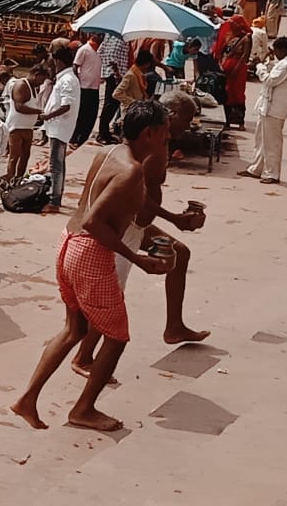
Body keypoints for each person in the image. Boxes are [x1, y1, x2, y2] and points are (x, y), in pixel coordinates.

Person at [10, 101, 173, 432]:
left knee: (75, 329)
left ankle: (27, 399)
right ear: (149, 134)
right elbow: (95, 220)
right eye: (166, 136)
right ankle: (83, 409)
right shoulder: (132, 171)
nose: (168, 142)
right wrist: (138, 260)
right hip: (89, 253)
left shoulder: (110, 153)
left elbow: (110, 207)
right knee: (116, 337)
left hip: (67, 244)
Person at [71, 91, 211, 379]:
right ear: (169, 117)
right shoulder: (147, 151)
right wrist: (174, 219)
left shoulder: (158, 144)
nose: (190, 124)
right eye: (186, 118)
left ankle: (174, 326)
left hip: (137, 222)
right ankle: (84, 357)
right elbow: (135, 196)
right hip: (129, 223)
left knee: (180, 253)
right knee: (112, 295)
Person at [238, 37, 287, 184]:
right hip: (267, 107)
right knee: (261, 140)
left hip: (275, 109)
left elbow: (270, 80)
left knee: (272, 143)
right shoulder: (282, 63)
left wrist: (260, 67)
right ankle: (256, 168)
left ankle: (273, 173)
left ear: (282, 50)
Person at [42, 47, 80, 213]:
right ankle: (55, 197)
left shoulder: (67, 80)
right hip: (57, 126)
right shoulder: (66, 78)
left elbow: (66, 105)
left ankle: (55, 200)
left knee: (55, 165)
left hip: (59, 126)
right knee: (58, 164)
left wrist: (48, 115)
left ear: (58, 61)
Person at [3, 66, 48, 183]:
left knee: (25, 155)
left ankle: (19, 179)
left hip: (28, 127)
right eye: (41, 80)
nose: (41, 83)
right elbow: (19, 107)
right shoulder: (21, 85)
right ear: (36, 74)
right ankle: (10, 180)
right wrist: (39, 111)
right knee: (14, 156)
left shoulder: (33, 87)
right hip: (16, 127)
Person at [219, 19, 254, 128]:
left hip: (238, 70)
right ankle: (228, 120)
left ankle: (240, 121)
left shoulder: (246, 38)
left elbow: (244, 56)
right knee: (227, 93)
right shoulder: (231, 37)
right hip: (227, 68)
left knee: (238, 94)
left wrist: (236, 69)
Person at [70, 34, 102, 148]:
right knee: (82, 114)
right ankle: (74, 138)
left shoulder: (99, 51)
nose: (101, 37)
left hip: (95, 87)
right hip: (84, 87)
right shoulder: (84, 49)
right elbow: (75, 66)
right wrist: (77, 81)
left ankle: (83, 138)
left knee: (91, 114)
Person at [96, 33, 129, 144]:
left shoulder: (109, 36)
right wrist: (116, 72)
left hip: (113, 73)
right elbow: (112, 56)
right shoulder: (118, 38)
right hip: (115, 75)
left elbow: (100, 51)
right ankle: (102, 134)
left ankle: (105, 132)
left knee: (112, 104)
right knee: (110, 104)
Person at [114, 49, 153, 117]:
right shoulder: (131, 75)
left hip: (137, 109)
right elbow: (116, 94)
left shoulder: (139, 74)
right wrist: (134, 102)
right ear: (147, 64)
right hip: (130, 112)